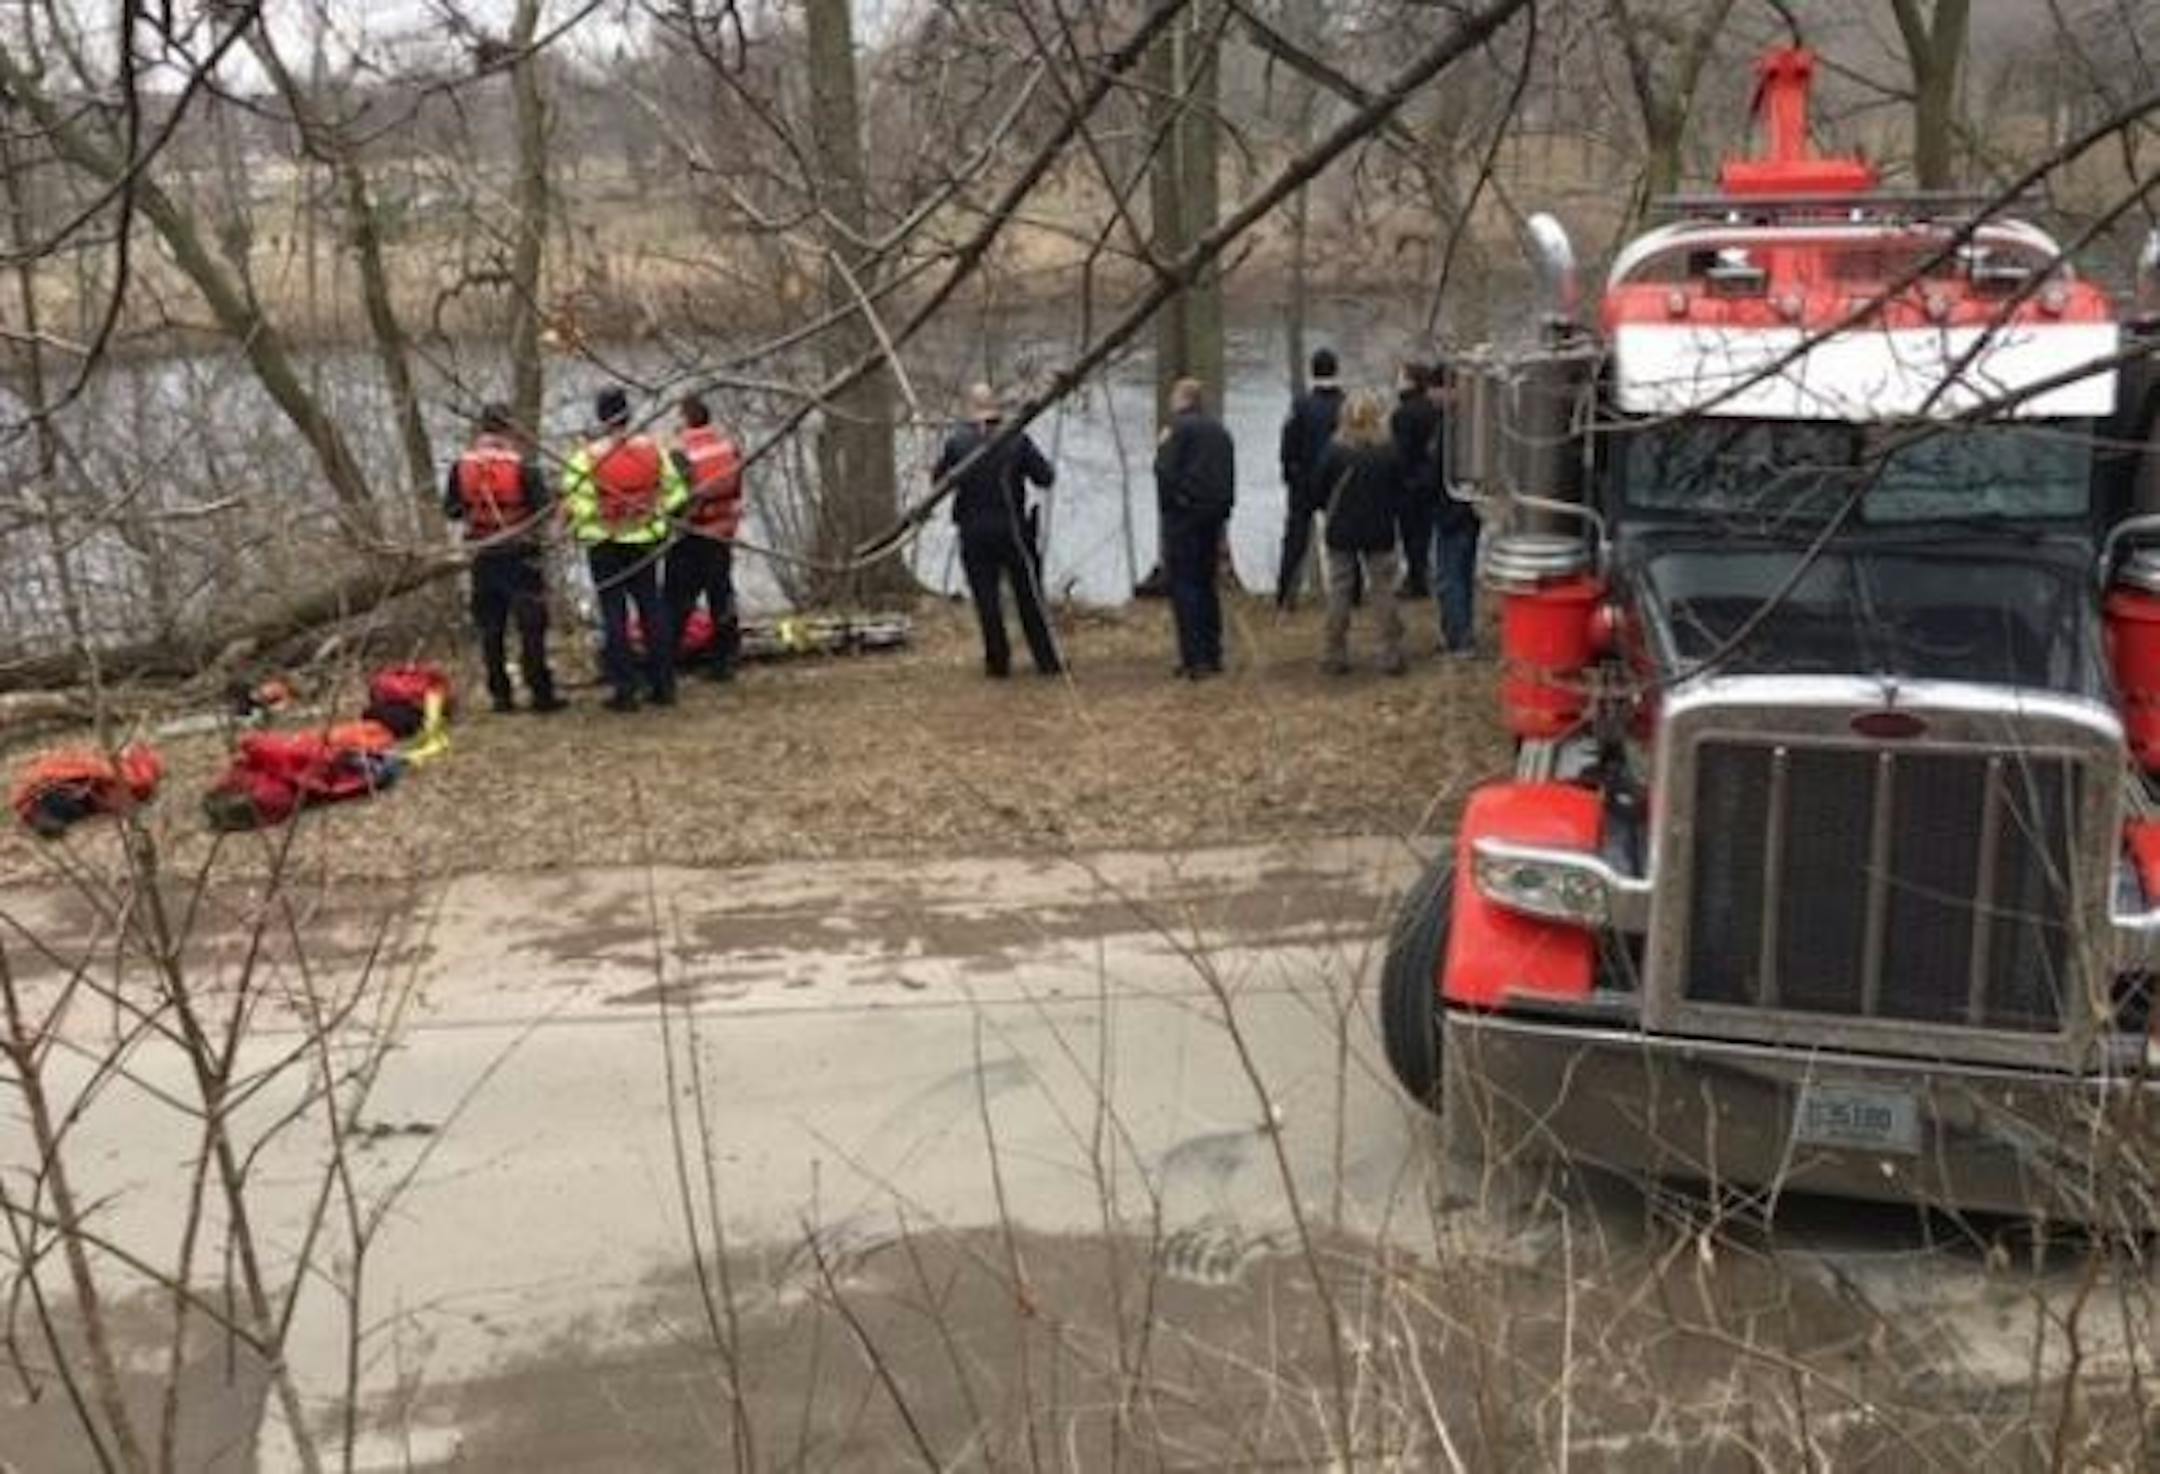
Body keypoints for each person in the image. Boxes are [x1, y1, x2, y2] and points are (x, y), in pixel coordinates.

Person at [563, 386, 688, 712]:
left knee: (614, 614)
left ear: (600, 417)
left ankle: (625, 689)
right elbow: (676, 493)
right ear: (629, 414)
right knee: (652, 609)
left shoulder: (585, 457)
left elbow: (577, 503)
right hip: (646, 538)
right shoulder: (654, 451)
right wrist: (652, 510)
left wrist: (600, 518)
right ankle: (664, 685)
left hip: (605, 542)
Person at [443, 403, 565, 714]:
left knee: (491, 629)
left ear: (482, 429)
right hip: (520, 553)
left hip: (483, 552)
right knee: (531, 627)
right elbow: (543, 510)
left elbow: (453, 510)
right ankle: (540, 693)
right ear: (510, 428)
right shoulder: (524, 466)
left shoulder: (461, 466)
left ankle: (501, 695)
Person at [937, 383, 1063, 678]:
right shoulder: (1017, 439)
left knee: (986, 598)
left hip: (974, 530)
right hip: (1014, 530)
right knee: (1029, 596)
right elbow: (1045, 477)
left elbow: (940, 481)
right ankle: (1046, 661)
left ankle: (998, 663)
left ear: (970, 408)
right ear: (996, 408)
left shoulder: (957, 442)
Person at [1313, 390, 1407, 676]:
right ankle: (1390, 651)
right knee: (1383, 589)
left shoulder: (1334, 450)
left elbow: (1317, 489)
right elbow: (1400, 490)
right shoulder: (1389, 451)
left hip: (1341, 527)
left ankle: (1335, 652)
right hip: (1379, 528)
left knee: (1340, 590)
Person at [1154, 377, 1236, 679]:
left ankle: (1194, 657)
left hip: (1184, 517)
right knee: (1206, 582)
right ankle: (1213, 654)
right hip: (1213, 516)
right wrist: (1224, 510)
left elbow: (1163, 471)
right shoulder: (1220, 431)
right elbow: (1228, 473)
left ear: (1183, 399)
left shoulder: (1176, 430)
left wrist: (1171, 506)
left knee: (1185, 585)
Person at [665, 394, 745, 682]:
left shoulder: (681, 453)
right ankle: (726, 659)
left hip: (692, 532)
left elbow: (677, 499)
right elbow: (737, 489)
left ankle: (668, 658)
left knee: (677, 598)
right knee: (721, 594)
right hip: (723, 530)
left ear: (685, 418)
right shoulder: (728, 447)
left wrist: (670, 524)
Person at [1276, 347, 1345, 609]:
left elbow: (1288, 443)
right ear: (1335, 370)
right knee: (1344, 538)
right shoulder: (1345, 404)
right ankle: (1351, 593)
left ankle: (1285, 594)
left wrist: (1288, 473)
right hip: (1339, 479)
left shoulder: (1301, 406)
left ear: (1312, 371)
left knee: (1295, 539)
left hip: (1303, 480)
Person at [1428, 362, 1478, 654]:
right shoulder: (1473, 422)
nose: (1431, 396)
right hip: (1469, 511)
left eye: (1436, 389)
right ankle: (1461, 633)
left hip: (1451, 512)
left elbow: (1438, 470)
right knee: (1463, 574)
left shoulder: (1450, 426)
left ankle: (1458, 638)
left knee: (1450, 578)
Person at [1391, 361, 1441, 600]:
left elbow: (1401, 452)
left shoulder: (1403, 413)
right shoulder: (1434, 409)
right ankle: (1421, 576)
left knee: (1411, 534)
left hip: (1409, 482)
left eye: (1400, 377)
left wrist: (1396, 478)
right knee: (1425, 532)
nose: (1396, 381)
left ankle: (1416, 580)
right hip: (1432, 479)